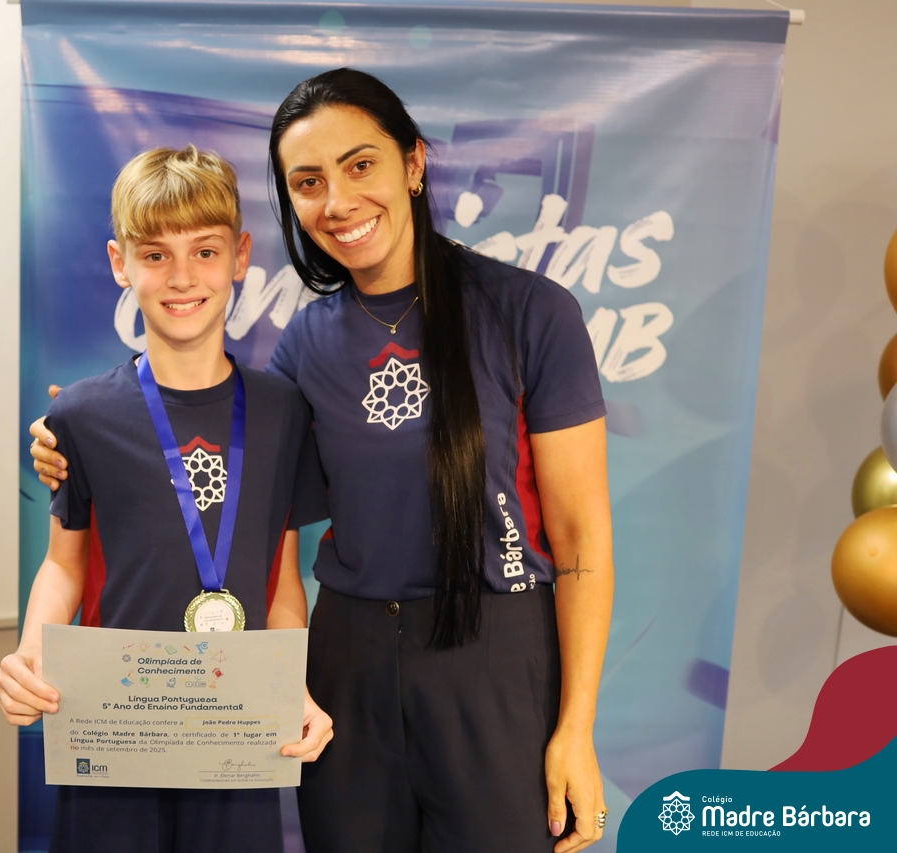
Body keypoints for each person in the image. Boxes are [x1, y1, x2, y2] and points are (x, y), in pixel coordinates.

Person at [32, 69, 613, 853]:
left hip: (493, 654)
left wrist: (576, 726)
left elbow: (581, 544)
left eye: (360, 164)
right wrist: (67, 437)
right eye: (308, 182)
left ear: (413, 163)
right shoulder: (305, 344)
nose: (337, 201)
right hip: (347, 662)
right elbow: (213, 449)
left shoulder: (529, 313)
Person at [0, 145, 333, 853]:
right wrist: (30, 654)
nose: (182, 277)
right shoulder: (81, 415)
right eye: (155, 255)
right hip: (112, 735)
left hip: (236, 740)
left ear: (240, 256)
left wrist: (290, 687)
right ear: (121, 263)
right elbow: (63, 564)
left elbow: (281, 581)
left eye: (205, 251)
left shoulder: (282, 412)